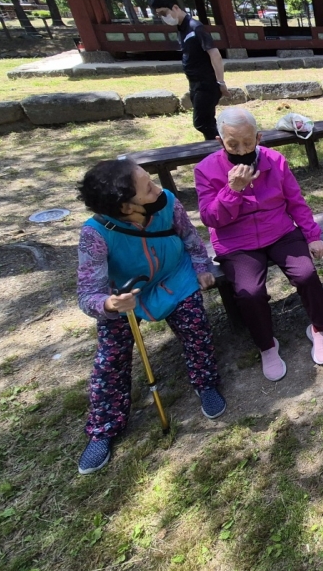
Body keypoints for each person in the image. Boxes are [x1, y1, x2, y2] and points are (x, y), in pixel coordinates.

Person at [75, 160, 225, 474]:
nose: (159, 190)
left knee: (196, 328)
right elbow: (88, 294)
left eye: (152, 181)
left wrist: (201, 267)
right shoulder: (95, 234)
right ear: (126, 206)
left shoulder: (168, 203)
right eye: (148, 188)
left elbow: (190, 238)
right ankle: (103, 428)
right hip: (126, 295)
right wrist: (110, 304)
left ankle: (206, 383)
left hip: (175, 276)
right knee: (110, 359)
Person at [194, 107, 323, 381]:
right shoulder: (206, 170)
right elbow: (211, 218)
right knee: (249, 292)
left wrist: (312, 235)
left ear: (258, 138)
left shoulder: (275, 160)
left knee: (306, 274)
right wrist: (232, 190)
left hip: (279, 230)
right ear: (220, 141)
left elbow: (296, 202)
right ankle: (267, 345)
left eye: (248, 142)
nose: (242, 150)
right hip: (237, 241)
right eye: (233, 144)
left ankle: (319, 328)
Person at [148, 0, 229, 141]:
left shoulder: (195, 27)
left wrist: (220, 82)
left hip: (206, 83)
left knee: (202, 122)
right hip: (195, 83)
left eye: (164, 12)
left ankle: (222, 148)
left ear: (175, 8)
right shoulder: (182, 29)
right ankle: (217, 150)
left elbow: (215, 54)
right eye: (159, 14)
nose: (163, 17)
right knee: (207, 121)